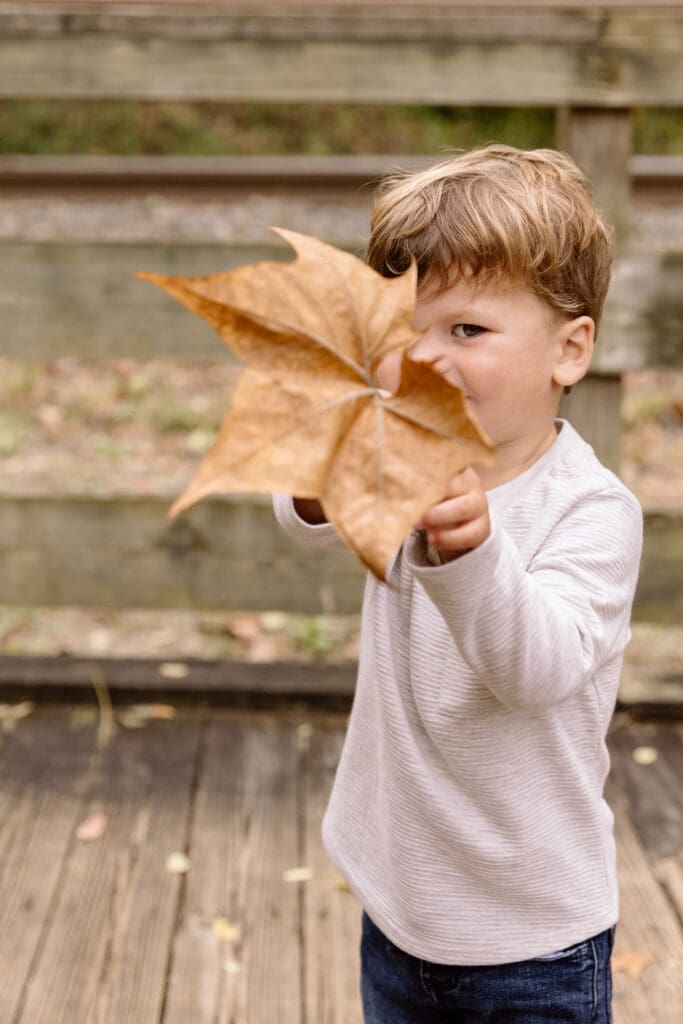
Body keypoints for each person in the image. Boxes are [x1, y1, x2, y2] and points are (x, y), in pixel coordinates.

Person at [273, 144, 642, 1023]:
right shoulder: (405, 453)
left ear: (569, 348)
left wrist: (470, 553)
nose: (425, 362)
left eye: (465, 331)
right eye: (406, 333)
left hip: (530, 935)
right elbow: (305, 520)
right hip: (402, 897)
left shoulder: (592, 510)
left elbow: (535, 669)